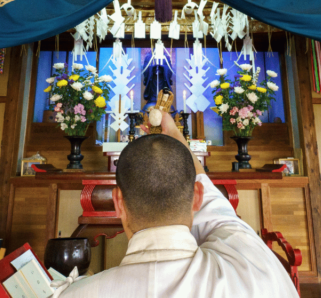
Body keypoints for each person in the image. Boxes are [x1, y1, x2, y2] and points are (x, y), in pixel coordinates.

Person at [58, 110, 299, 298]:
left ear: (118, 202)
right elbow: (221, 217)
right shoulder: (255, 267)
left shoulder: (75, 294)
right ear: (197, 196)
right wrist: (175, 135)